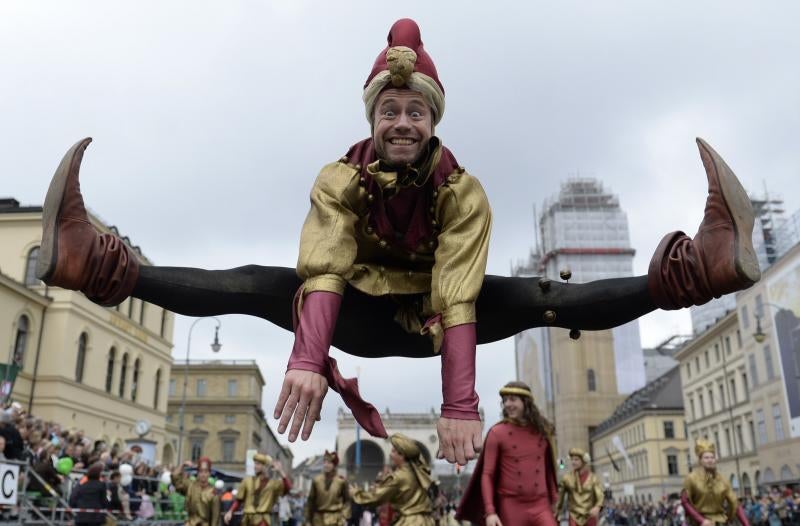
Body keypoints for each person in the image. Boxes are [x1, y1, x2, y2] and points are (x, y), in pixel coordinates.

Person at [35, 18, 761, 466]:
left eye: (417, 110)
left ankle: (706, 269)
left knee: (545, 298)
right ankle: (91, 262)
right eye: (391, 110)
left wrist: (458, 405)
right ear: (374, 117)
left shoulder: (462, 191)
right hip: (355, 312)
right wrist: (308, 358)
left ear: (433, 119)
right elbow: (322, 271)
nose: (404, 122)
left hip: (441, 321)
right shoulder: (339, 179)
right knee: (261, 282)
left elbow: (455, 295)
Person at [456, 381, 558, 526]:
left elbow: (548, 470)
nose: (508, 404)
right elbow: (487, 475)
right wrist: (490, 512)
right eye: (504, 400)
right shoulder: (497, 433)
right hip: (511, 506)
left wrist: (554, 499)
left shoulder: (543, 432)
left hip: (541, 505)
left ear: (526, 402)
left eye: (512, 399)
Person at [351, 433, 433, 525]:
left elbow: (376, 497)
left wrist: (356, 494)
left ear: (402, 455)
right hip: (426, 521)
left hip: (409, 522)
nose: (390, 455)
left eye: (393, 452)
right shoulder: (419, 473)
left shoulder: (397, 477)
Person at [681, 439, 749, 525]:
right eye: (706, 458)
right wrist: (701, 520)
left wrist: (746, 524)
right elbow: (685, 501)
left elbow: (735, 503)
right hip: (700, 522)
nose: (710, 460)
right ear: (700, 460)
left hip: (720, 521)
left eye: (712, 457)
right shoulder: (691, 478)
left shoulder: (723, 480)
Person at [224, 454, 291, 526]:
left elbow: (288, 488)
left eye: (258, 464)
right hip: (247, 520)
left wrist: (280, 471)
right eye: (255, 464)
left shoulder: (273, 484)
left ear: (265, 466)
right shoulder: (247, 481)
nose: (255, 466)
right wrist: (230, 511)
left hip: (262, 520)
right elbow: (239, 500)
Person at [555, 448, 605, 526]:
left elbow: (600, 495)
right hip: (574, 517)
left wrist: (597, 507)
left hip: (589, 516)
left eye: (576, 460)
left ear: (584, 461)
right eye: (572, 460)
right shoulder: (567, 478)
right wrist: (557, 513)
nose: (573, 462)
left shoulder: (593, 478)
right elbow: (560, 498)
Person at [304, 450, 350, 526]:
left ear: (334, 465)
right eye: (325, 462)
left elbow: (347, 501)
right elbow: (311, 501)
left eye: (329, 463)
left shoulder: (341, 482)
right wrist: (308, 519)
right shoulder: (316, 480)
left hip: (335, 519)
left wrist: (344, 517)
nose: (326, 465)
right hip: (318, 518)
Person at [173, 457, 221, 526]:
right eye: (201, 471)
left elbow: (215, 519)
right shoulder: (191, 486)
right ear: (197, 473)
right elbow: (175, 479)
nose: (203, 474)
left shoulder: (213, 493)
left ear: (209, 474)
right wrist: (182, 465)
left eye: (206, 471)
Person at [68, 462, 109, 526]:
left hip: (81, 515)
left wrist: (75, 507)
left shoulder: (82, 484)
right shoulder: (101, 485)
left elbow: (73, 497)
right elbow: (103, 500)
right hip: (96, 516)